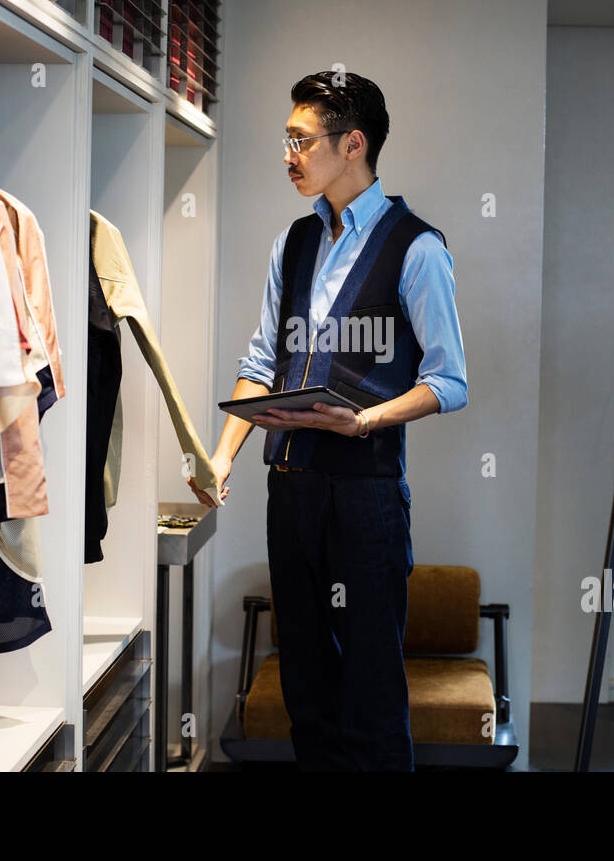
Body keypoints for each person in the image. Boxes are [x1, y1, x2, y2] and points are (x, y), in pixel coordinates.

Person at [190, 70, 468, 771]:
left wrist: (367, 419)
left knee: (371, 690)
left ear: (353, 144)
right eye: (287, 139)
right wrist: (222, 454)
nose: (289, 154)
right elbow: (263, 360)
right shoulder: (292, 243)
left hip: (367, 494)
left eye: (301, 140)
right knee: (305, 685)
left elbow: (449, 381)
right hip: (291, 488)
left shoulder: (418, 247)